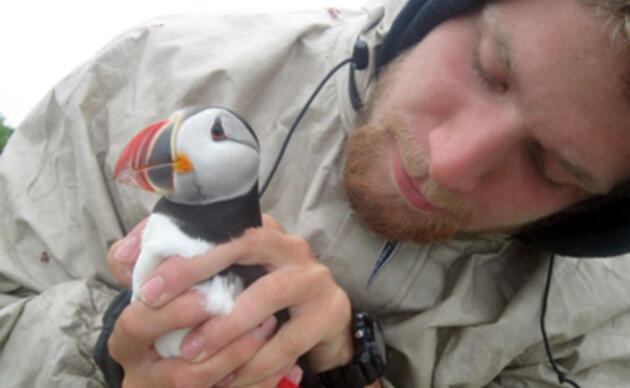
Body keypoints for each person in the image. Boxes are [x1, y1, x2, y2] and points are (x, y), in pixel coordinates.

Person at [1, 0, 630, 386]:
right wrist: (109, 347)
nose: (448, 162)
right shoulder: (161, 67)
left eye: (550, 167)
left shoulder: (602, 319)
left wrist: (351, 374)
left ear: (595, 209)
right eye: (489, 68)